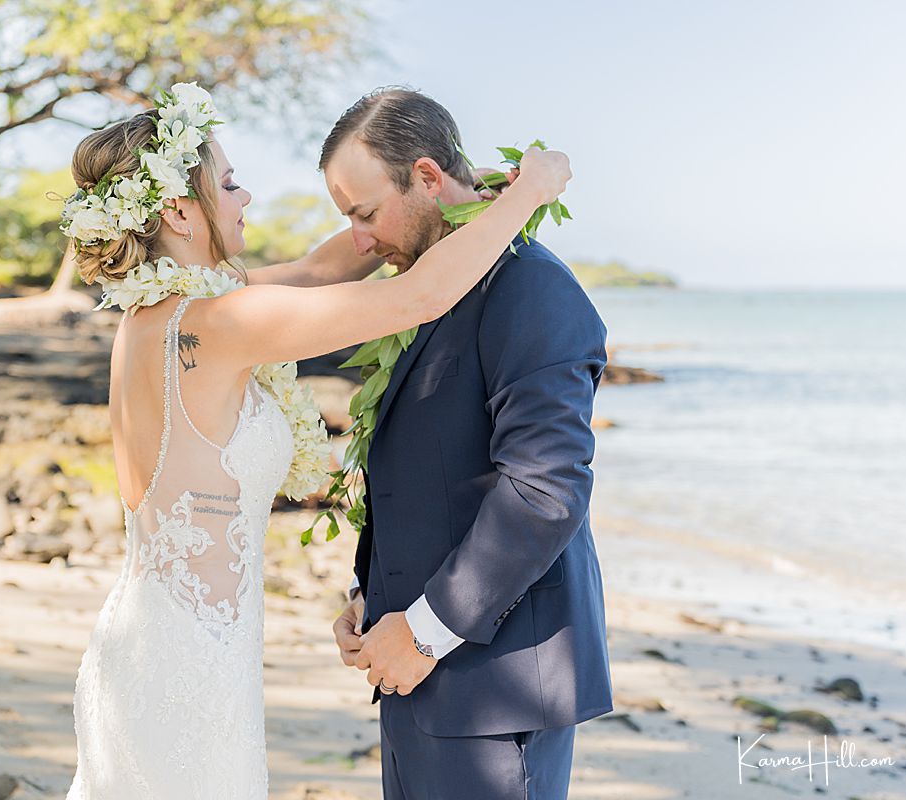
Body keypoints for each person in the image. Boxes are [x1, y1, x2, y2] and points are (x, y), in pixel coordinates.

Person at [61, 83, 571, 798]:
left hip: (151, 636)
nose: (245, 198)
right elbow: (417, 297)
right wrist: (532, 191)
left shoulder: (156, 315)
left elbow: (323, 270)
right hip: (187, 657)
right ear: (179, 209)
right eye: (229, 183)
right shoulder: (221, 320)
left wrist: (456, 193)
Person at [324, 88, 613, 799]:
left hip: (496, 690)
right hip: (411, 672)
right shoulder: (426, 288)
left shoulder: (531, 291)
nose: (358, 243)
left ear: (427, 176)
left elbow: (544, 493)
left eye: (365, 214)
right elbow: (431, 466)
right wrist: (374, 593)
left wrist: (424, 630)